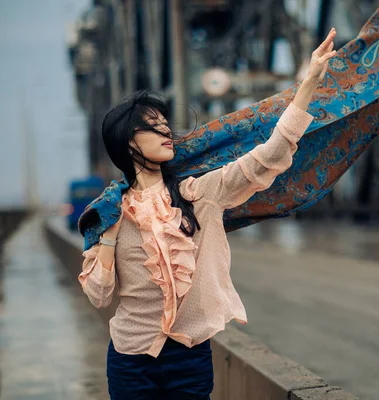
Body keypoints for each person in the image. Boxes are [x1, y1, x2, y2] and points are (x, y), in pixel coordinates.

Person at [78, 28, 338, 399]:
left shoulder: (199, 194)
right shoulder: (110, 211)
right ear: (129, 141)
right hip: (128, 359)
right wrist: (109, 234)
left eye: (164, 122)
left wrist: (309, 83)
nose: (166, 128)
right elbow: (99, 296)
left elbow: (267, 157)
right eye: (153, 125)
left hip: (189, 356)